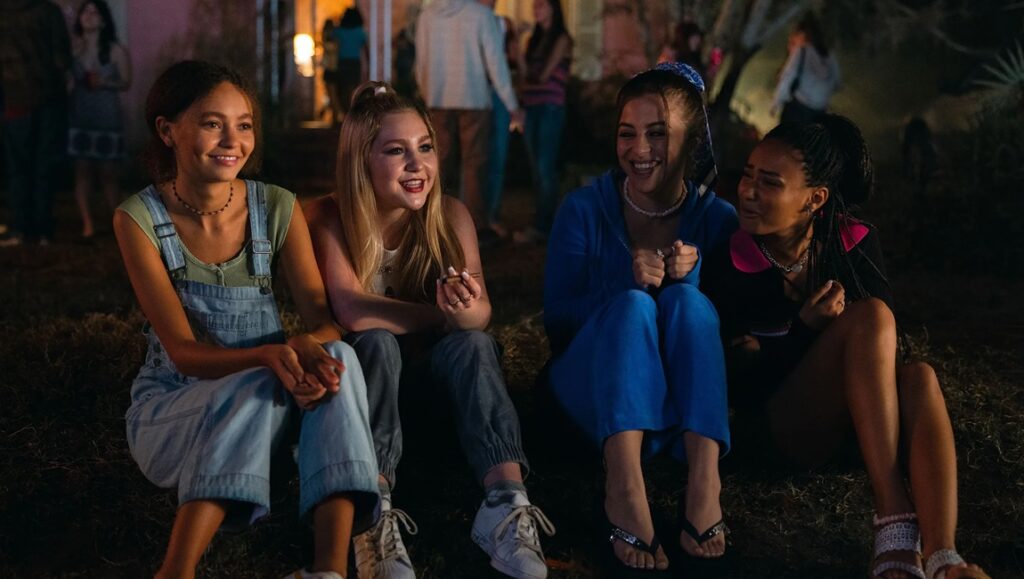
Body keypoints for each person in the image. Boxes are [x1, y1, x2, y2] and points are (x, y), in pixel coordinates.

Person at [113, 60, 379, 579]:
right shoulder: (139, 218)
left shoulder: (277, 207)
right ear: (167, 130)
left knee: (340, 356)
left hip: (275, 397)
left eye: (244, 124)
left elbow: (326, 322)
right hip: (177, 406)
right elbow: (184, 353)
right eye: (213, 123)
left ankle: (328, 570)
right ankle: (177, 570)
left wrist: (305, 348)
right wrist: (268, 357)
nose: (232, 139)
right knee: (254, 381)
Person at [701, 114, 990, 579]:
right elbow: (735, 383)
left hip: (862, 431)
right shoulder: (730, 262)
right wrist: (803, 330)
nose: (748, 192)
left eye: (770, 183)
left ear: (814, 199)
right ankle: (893, 516)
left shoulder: (854, 243)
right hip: (778, 432)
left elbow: (885, 356)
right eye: (748, 176)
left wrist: (792, 340)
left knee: (920, 375)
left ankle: (942, 557)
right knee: (871, 314)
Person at [306, 82, 554, 579]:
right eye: (396, 151)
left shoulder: (451, 216)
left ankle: (505, 501)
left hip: (439, 392)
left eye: (425, 147)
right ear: (361, 160)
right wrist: (435, 315)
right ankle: (373, 512)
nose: (416, 164)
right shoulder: (332, 217)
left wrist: (459, 311)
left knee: (475, 344)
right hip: (369, 397)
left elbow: (478, 315)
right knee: (373, 341)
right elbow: (352, 309)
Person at [543, 63, 735, 573]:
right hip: (592, 392)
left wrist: (687, 282)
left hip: (676, 407)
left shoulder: (717, 219)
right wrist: (622, 286)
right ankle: (624, 485)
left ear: (691, 139)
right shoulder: (584, 209)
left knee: (690, 303)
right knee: (631, 306)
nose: (639, 150)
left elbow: (727, 334)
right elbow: (557, 323)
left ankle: (704, 481)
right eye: (627, 134)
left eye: (657, 134)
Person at [415, 0, 524, 235]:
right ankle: (471, 228)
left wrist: (427, 93)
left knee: (438, 163)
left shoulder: (428, 15)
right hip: (474, 98)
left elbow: (421, 60)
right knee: (474, 165)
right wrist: (512, 104)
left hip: (438, 98)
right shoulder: (480, 15)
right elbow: (496, 63)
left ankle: (435, 225)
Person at [0, 0, 72, 247]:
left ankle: (21, 227)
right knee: (44, 165)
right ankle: (43, 230)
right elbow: (62, 55)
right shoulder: (48, 11)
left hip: (14, 100)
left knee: (18, 168)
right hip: (48, 97)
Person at [68, 0, 132, 241]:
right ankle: (88, 224)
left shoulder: (115, 50)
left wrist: (104, 83)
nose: (90, 16)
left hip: (106, 117)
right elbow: (64, 78)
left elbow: (126, 81)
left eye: (96, 12)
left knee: (108, 173)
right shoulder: (74, 48)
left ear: (104, 20)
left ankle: (119, 225)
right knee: (82, 171)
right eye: (86, 11)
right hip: (80, 115)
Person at [511, 0, 572, 245]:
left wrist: (526, 76)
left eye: (541, 5)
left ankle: (545, 225)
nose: (536, 9)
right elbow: (525, 75)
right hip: (531, 107)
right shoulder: (533, 41)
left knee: (545, 168)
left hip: (550, 108)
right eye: (534, 5)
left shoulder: (562, 39)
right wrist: (517, 43)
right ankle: (543, 222)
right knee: (537, 168)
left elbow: (541, 75)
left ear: (553, 9)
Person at [480, 0, 521, 243]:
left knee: (494, 157)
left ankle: (490, 215)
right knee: (480, 160)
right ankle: (483, 216)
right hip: (479, 95)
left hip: (490, 94)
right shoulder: (478, 20)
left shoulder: (499, 23)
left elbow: (503, 63)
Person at [771, 13, 840, 125]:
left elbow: (787, 77)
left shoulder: (803, 51)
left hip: (798, 109)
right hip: (819, 112)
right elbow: (837, 83)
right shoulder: (830, 56)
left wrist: (776, 103)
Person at [333, 7, 368, 122]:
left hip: (342, 62)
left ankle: (343, 113)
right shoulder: (360, 31)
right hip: (354, 62)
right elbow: (366, 49)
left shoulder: (340, 31)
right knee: (353, 88)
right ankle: (352, 114)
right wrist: (368, 63)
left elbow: (330, 38)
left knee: (343, 89)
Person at [321, 18, 341, 124]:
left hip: (330, 68)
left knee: (332, 93)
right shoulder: (337, 37)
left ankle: (336, 115)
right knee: (333, 94)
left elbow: (329, 49)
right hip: (334, 68)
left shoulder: (329, 38)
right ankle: (335, 115)